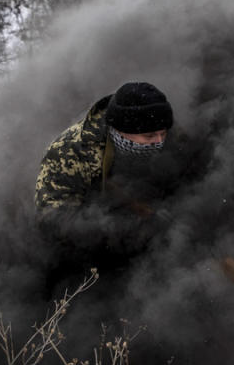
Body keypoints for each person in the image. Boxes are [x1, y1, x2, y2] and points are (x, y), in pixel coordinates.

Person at [35, 81, 189, 290]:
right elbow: (53, 220)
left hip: (147, 227)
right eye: (150, 137)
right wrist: (131, 228)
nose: (159, 141)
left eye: (163, 134)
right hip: (87, 253)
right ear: (121, 130)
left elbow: (187, 173)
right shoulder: (71, 150)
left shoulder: (159, 126)